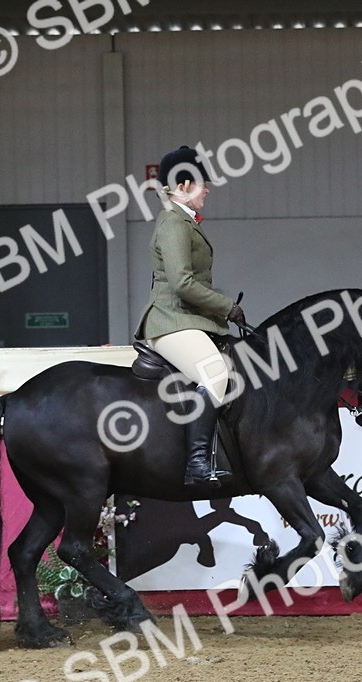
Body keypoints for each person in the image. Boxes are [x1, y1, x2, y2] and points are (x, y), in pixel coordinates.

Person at [134, 145, 246, 485]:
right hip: (170, 321)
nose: (207, 190)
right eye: (202, 184)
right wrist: (227, 307)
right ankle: (196, 463)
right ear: (182, 186)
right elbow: (182, 284)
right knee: (214, 373)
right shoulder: (173, 223)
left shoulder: (183, 220)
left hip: (188, 320)